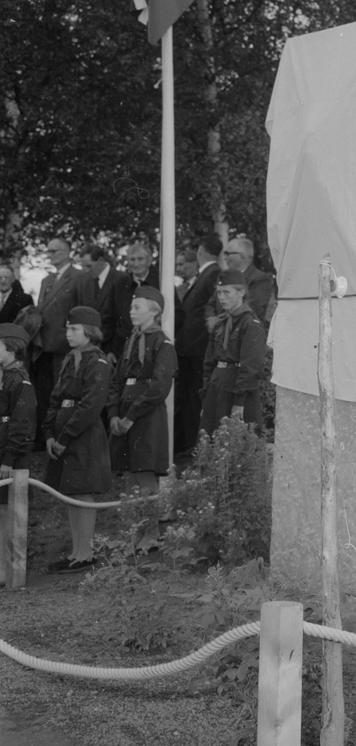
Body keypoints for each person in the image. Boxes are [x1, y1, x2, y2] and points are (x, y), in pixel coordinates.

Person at [43, 305, 112, 573]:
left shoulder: (97, 360)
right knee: (70, 492)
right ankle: (76, 551)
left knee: (83, 492)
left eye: (74, 329)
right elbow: (55, 398)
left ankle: (86, 553)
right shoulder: (70, 359)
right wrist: (49, 433)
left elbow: (91, 405)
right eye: (68, 328)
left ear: (89, 331)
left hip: (83, 435)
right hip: (63, 434)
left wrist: (65, 435)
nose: (68, 333)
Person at [107, 286, 177, 549]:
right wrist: (114, 414)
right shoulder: (131, 341)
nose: (131, 311)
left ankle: (150, 535)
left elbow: (159, 386)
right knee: (130, 477)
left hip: (146, 416)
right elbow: (117, 380)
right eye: (131, 307)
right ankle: (133, 533)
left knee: (146, 475)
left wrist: (132, 415)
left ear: (155, 311)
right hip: (125, 413)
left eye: (138, 307)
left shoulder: (162, 342)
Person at [33, 238, 96, 447]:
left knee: (65, 392)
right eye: (48, 252)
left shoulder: (81, 277)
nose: (51, 255)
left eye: (56, 251)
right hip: (43, 347)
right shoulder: (46, 280)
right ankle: (46, 437)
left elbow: (87, 312)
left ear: (68, 252)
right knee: (46, 394)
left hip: (66, 346)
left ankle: (64, 436)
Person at [199, 270, 267, 439]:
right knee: (211, 442)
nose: (221, 298)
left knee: (237, 443)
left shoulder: (251, 325)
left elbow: (251, 366)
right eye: (219, 293)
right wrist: (206, 399)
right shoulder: (221, 323)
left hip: (237, 389)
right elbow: (209, 363)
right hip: (217, 386)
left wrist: (239, 402)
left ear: (241, 292)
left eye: (226, 292)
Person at [174, 235, 221, 457]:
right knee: (190, 400)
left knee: (195, 399)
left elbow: (213, 308)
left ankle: (197, 446)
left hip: (197, 348)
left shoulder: (212, 273)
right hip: (190, 348)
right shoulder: (205, 275)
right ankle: (192, 443)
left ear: (201, 251)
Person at [0, 324, 37, 583]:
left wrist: (9, 459)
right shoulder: (4, 376)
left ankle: (8, 571)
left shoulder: (19, 380)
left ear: (11, 348)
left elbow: (21, 424)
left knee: (9, 513)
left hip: (9, 457)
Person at [79, 244, 133, 363]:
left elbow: (124, 322)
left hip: (114, 351)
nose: (86, 270)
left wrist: (113, 350)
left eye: (89, 266)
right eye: (83, 266)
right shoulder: (86, 283)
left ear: (101, 260)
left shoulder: (121, 279)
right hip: (92, 349)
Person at [219, 238, 273, 326]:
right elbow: (211, 304)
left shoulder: (260, 279)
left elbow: (252, 309)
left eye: (228, 254)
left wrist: (219, 319)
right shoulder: (225, 278)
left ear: (243, 257)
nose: (225, 258)